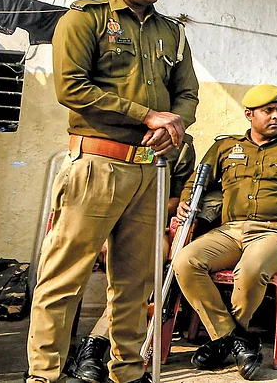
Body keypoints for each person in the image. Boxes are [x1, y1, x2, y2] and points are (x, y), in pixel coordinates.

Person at [28, 0, 198, 383]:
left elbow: (187, 94)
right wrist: (147, 115)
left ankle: (127, 370)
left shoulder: (172, 33)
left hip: (148, 170)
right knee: (64, 278)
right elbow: (72, 88)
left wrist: (174, 126)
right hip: (96, 166)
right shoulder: (85, 20)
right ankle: (44, 374)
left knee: (135, 282)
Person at [173, 85, 277, 380]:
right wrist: (185, 202)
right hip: (229, 231)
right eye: (268, 111)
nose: (276, 116)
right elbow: (197, 182)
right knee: (185, 261)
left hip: (273, 233)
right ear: (249, 115)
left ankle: (224, 341)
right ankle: (236, 340)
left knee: (251, 270)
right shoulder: (224, 147)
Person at [66, 135, 197, 383]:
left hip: (148, 227)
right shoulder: (108, 132)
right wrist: (104, 234)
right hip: (99, 221)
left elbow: (177, 197)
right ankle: (55, 363)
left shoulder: (181, 146)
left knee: (144, 266)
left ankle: (94, 345)